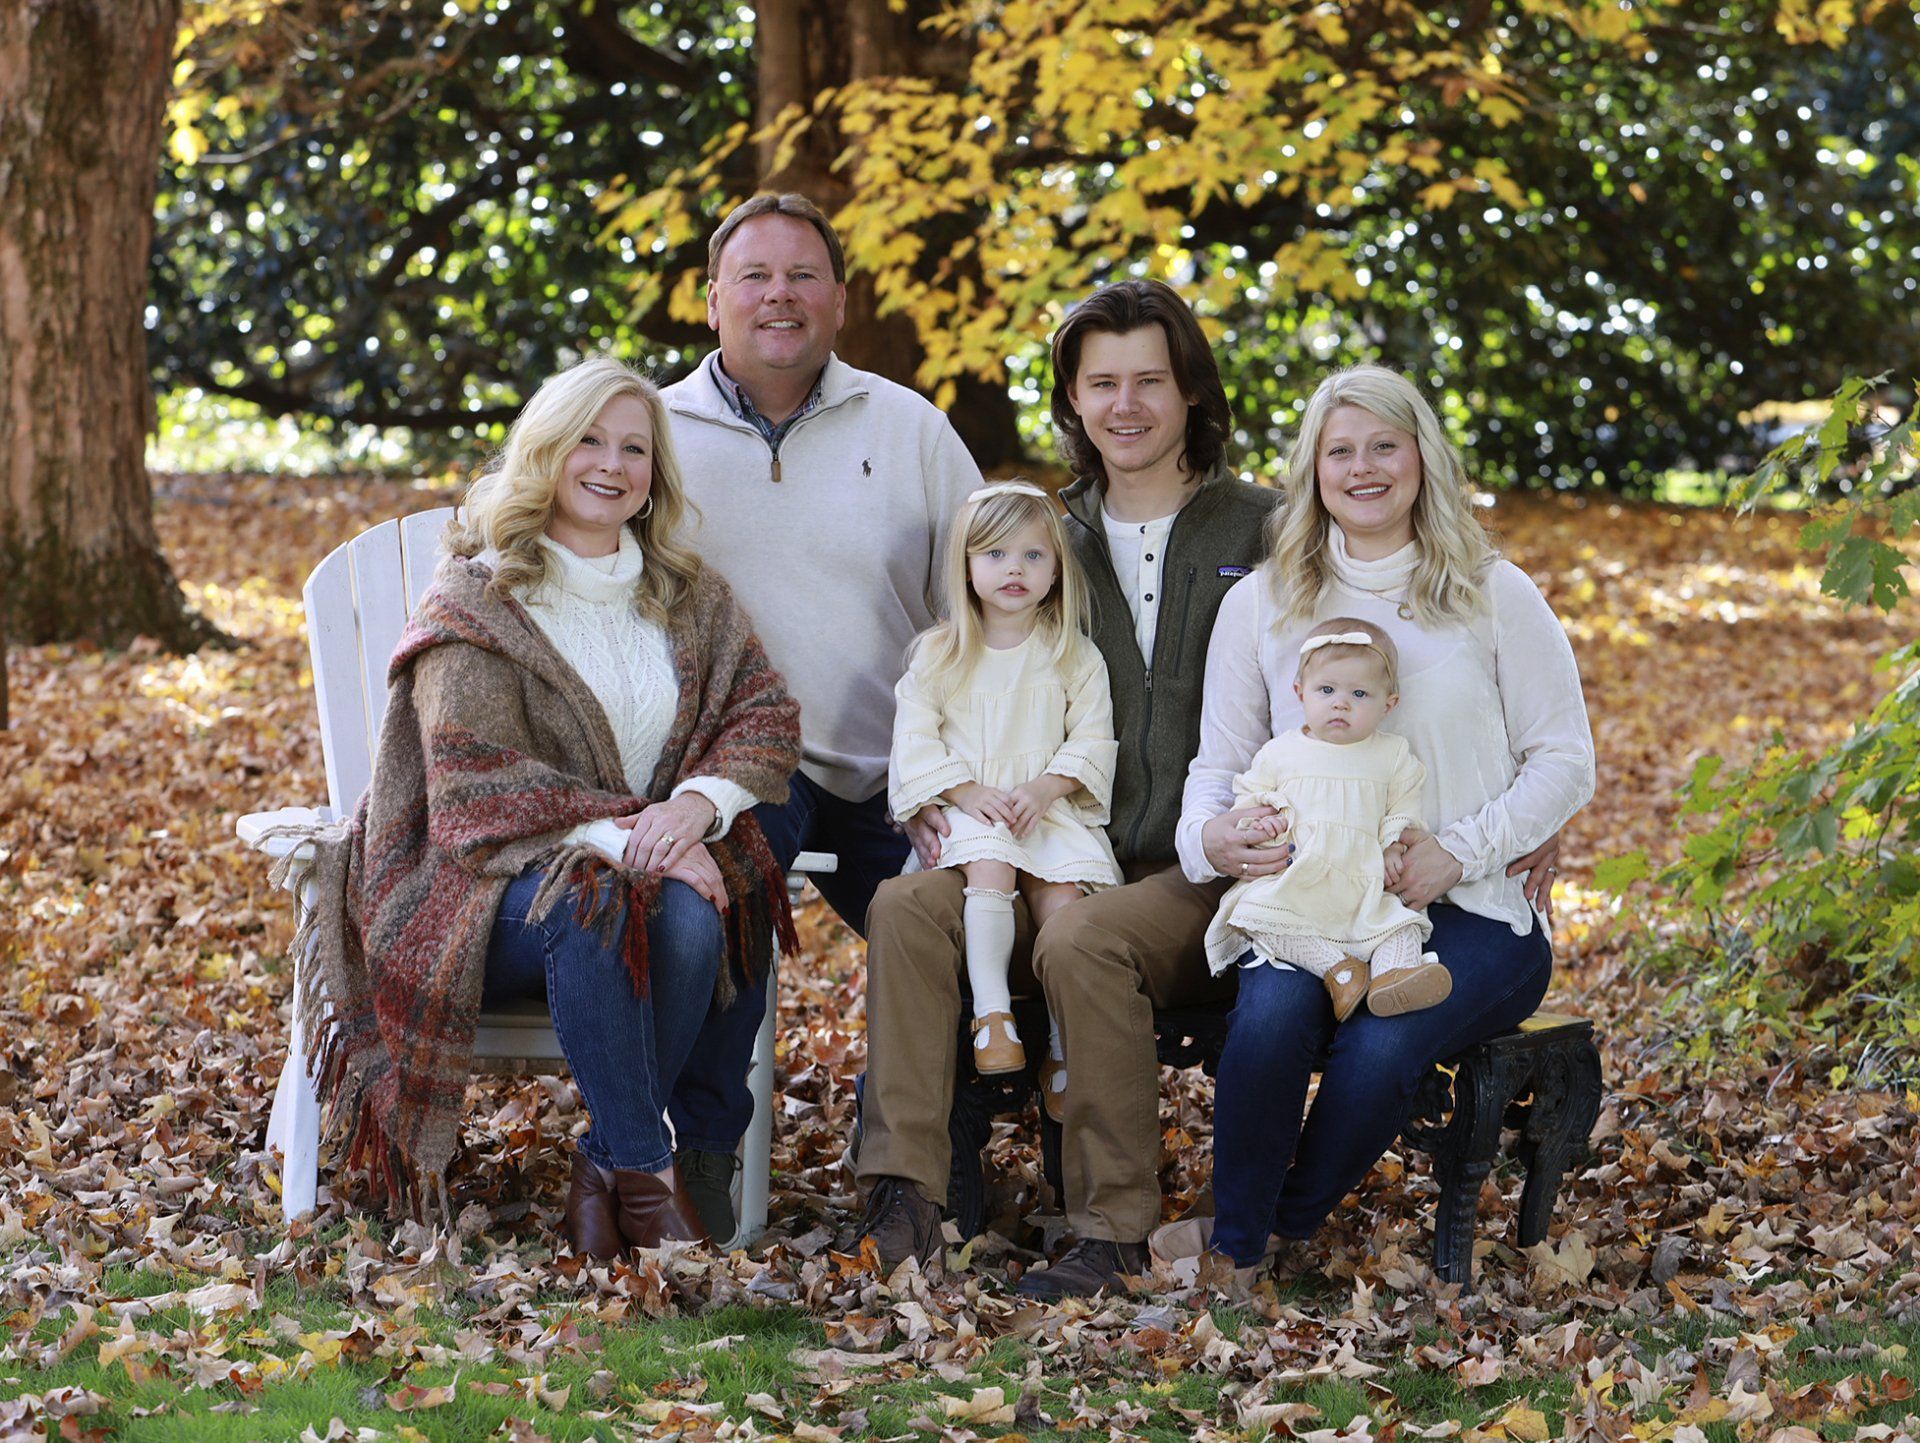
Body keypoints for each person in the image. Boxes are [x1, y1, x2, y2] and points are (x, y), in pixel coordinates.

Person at [293, 357, 801, 1259]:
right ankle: (647, 1174)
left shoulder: (688, 596)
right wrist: (620, 838)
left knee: (686, 918)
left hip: (650, 877)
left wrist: (693, 806)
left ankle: (609, 1165)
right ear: (548, 452)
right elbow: (470, 781)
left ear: (656, 473)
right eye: (590, 441)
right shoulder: (482, 596)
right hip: (481, 894)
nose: (612, 464)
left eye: (635, 448)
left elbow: (763, 713)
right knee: (601, 906)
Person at [853, 279, 1285, 1295]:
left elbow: (1366, 666)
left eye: (1150, 381)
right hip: (1047, 840)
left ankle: (1108, 1225)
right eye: (1101, 384)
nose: (1125, 405)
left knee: (1083, 938)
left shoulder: (1264, 529)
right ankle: (906, 1194)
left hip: (1201, 864)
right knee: (906, 908)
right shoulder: (1042, 539)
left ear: (1190, 393)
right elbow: (959, 678)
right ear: (1075, 401)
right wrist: (940, 799)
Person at [1157, 363, 1595, 1283]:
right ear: (1312, 468)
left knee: (1384, 1038)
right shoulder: (1265, 603)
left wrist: (1460, 849)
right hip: (1311, 900)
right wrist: (1212, 838)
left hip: (1476, 906)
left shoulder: (1491, 591)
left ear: (1421, 458)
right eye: (1340, 449)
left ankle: (1261, 1234)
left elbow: (1566, 759)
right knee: (1268, 1025)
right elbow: (1218, 764)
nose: (1364, 468)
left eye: (1384, 446)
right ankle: (1240, 1255)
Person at [660, 193, 983, 1241]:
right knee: (734, 892)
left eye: (803, 276)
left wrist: (963, 768)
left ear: (840, 302)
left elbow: (989, 603)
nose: (779, 297)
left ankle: (920, 1176)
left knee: (966, 926)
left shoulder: (912, 428)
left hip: (905, 758)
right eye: (754, 277)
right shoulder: (650, 436)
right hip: (740, 758)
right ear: (713, 303)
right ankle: (702, 1165)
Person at [889, 482, 1121, 1080]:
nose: (1014, 569)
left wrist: (1047, 789)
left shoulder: (1071, 654)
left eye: (1033, 556)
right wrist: (965, 793)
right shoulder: (939, 655)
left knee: (1065, 899)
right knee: (991, 864)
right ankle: (994, 1018)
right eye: (994, 554)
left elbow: (1092, 738)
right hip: (977, 812)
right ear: (966, 568)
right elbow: (915, 740)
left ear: (1055, 572)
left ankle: (1067, 1048)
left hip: (1046, 809)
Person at [1202, 617, 1450, 1023]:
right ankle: (1339, 970)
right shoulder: (1279, 753)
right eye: (1327, 690)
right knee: (1259, 914)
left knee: (1399, 924)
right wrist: (1260, 827)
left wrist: (1392, 844)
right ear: (1300, 693)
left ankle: (1394, 978)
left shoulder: (1392, 754)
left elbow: (1404, 806)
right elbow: (1251, 800)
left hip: (1364, 883)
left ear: (1389, 704)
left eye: (1359, 693)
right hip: (1300, 883)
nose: (1341, 703)